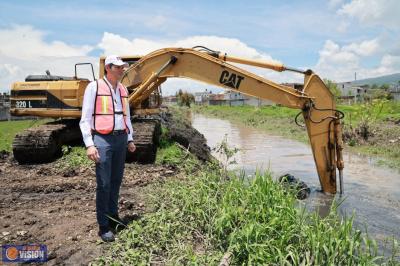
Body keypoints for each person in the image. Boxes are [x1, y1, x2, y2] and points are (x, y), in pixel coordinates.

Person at [79, 55, 136, 242]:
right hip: (102, 139)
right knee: (103, 184)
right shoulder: (94, 87)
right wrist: (89, 144)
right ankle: (103, 225)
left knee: (116, 181)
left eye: (123, 67)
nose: (122, 70)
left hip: (120, 139)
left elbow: (126, 117)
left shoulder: (123, 89)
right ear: (109, 68)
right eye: (119, 67)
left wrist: (130, 139)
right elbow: (85, 119)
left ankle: (113, 216)